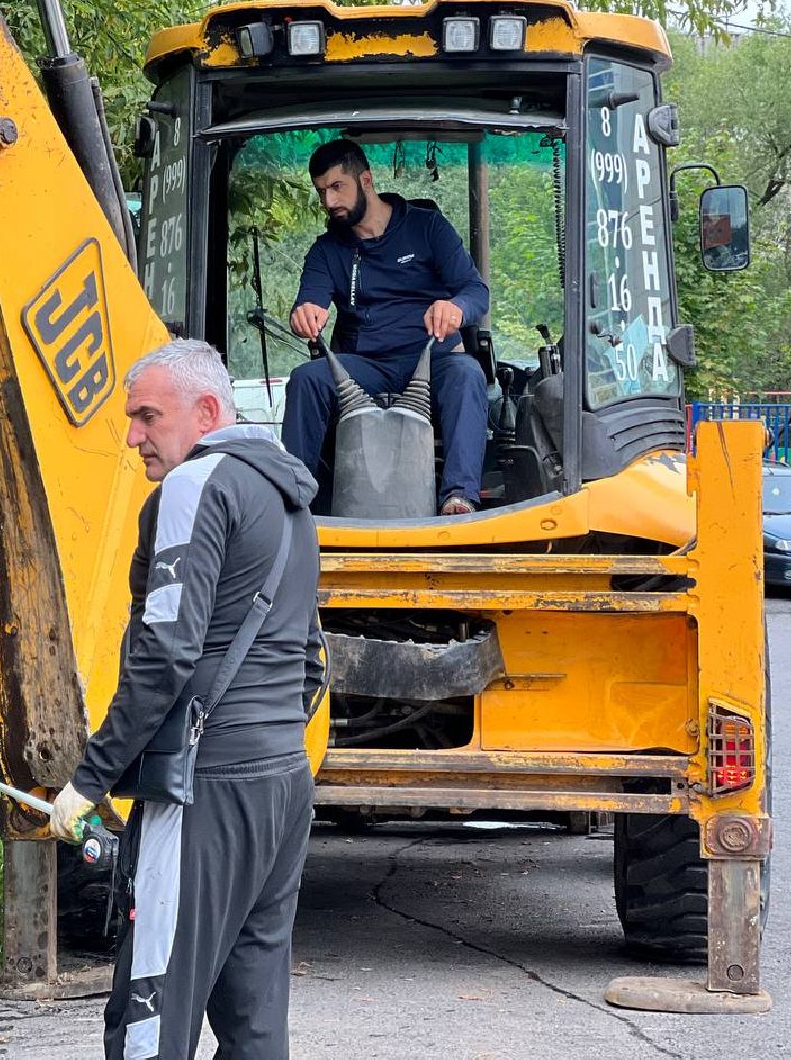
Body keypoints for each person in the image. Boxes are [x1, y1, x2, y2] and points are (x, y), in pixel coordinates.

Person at [48, 339, 323, 1060]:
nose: (133, 436)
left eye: (147, 416)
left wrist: (89, 778)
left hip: (207, 787)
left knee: (151, 1010)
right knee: (255, 1019)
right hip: (282, 782)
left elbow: (165, 651)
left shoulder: (192, 487)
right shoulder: (289, 499)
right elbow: (305, 658)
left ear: (205, 412)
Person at [282, 138, 491, 515]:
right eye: (321, 192)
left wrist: (455, 308)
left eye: (336, 187)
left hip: (431, 360)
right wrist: (304, 314)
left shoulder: (428, 228)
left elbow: (476, 291)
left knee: (468, 373)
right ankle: (294, 502)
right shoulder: (327, 250)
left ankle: (458, 497)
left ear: (365, 180)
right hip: (365, 368)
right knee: (306, 378)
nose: (329, 202)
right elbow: (308, 300)